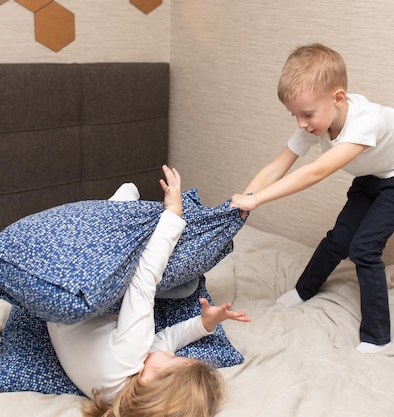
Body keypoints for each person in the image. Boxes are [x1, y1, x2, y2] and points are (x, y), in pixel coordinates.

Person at [230, 43, 394, 354]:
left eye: (307, 114)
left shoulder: (367, 122)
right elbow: (278, 165)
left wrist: (259, 200)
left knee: (364, 248)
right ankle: (304, 289)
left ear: (338, 98)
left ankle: (377, 337)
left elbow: (316, 171)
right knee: (339, 239)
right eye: (294, 115)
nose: (301, 123)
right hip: (372, 173)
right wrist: (246, 196)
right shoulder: (315, 123)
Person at [48, 165, 251, 417]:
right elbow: (165, 342)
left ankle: (114, 208)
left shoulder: (129, 357)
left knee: (128, 194)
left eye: (172, 359)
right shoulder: (119, 396)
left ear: (151, 381)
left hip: (71, 282)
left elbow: (143, 282)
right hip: (54, 308)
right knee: (184, 288)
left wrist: (173, 216)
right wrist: (203, 324)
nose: (169, 353)